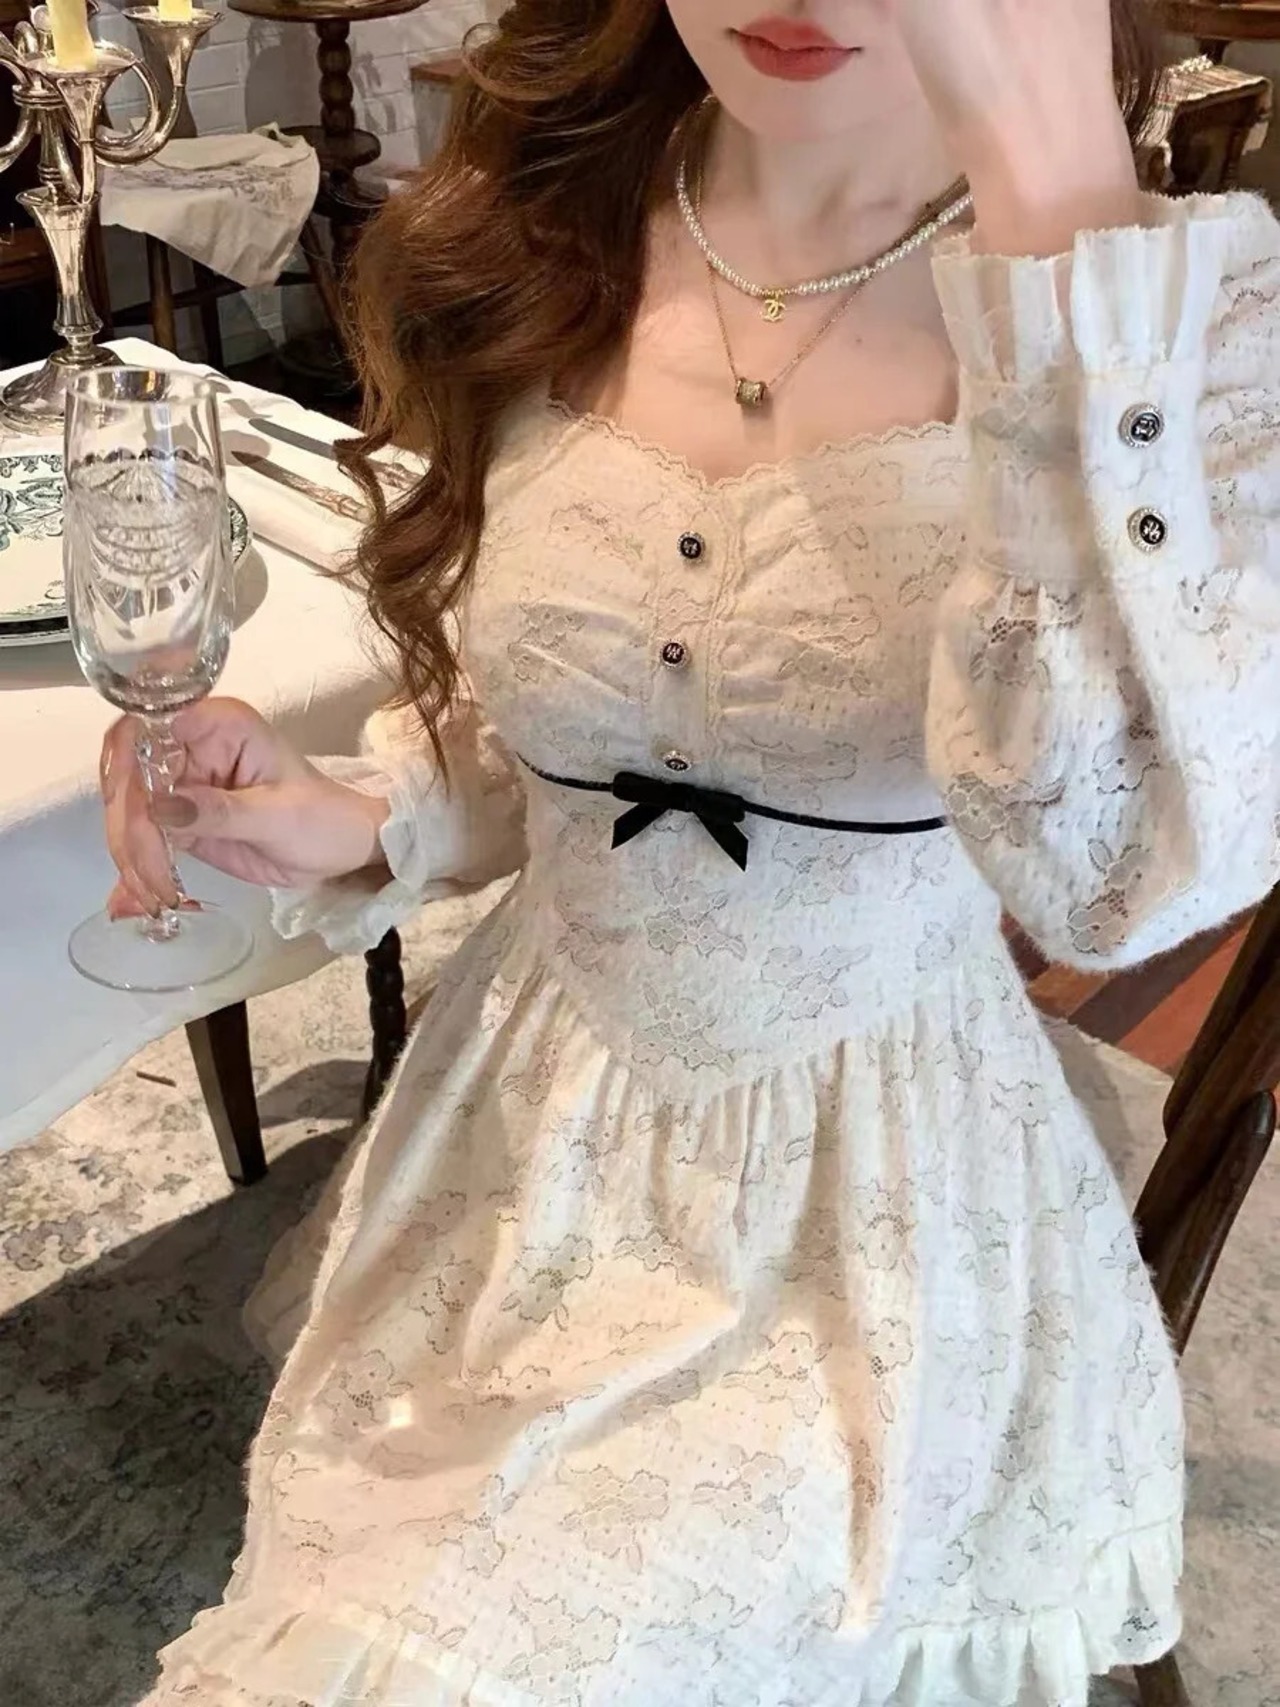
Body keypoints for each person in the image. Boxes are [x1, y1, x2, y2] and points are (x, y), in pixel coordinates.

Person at [106, 3, 1280, 1703]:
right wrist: (360, 812)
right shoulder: (552, 215)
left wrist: (1061, 223)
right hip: (519, 1147)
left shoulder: (1184, 323)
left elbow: (1116, 880)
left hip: (872, 1216)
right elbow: (555, 710)